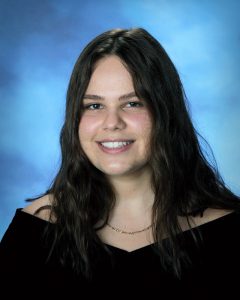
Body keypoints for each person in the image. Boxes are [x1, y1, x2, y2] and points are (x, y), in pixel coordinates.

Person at [0, 27, 240, 299]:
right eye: (94, 106)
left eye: (133, 103)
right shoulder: (34, 232)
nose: (112, 123)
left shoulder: (229, 233)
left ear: (166, 112)